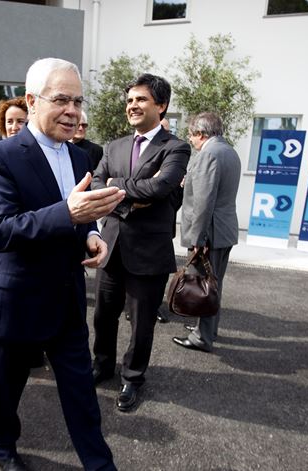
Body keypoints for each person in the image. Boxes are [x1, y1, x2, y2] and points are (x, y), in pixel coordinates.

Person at [0, 57, 124, 471]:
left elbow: (81, 215)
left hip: (67, 299)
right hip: (17, 299)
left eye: (77, 101)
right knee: (6, 390)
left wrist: (93, 234)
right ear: (31, 100)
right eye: (61, 99)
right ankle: (3, 447)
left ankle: (100, 465)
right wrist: (69, 214)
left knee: (81, 394)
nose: (73, 111)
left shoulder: (79, 158)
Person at [90, 73, 190, 413]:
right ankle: (102, 365)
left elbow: (162, 189)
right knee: (103, 316)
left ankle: (132, 377)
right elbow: (95, 187)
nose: (133, 105)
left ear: (161, 106)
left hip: (148, 251)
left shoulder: (176, 147)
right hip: (111, 245)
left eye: (141, 99)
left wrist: (116, 189)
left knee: (142, 321)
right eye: (130, 99)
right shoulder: (114, 146)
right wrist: (131, 194)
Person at [171, 112, 241, 353]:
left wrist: (198, 239)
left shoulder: (208, 154)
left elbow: (204, 201)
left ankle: (203, 337)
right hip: (224, 229)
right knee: (214, 282)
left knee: (204, 284)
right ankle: (209, 329)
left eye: (191, 135)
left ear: (201, 134)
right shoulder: (229, 151)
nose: (190, 140)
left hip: (210, 232)